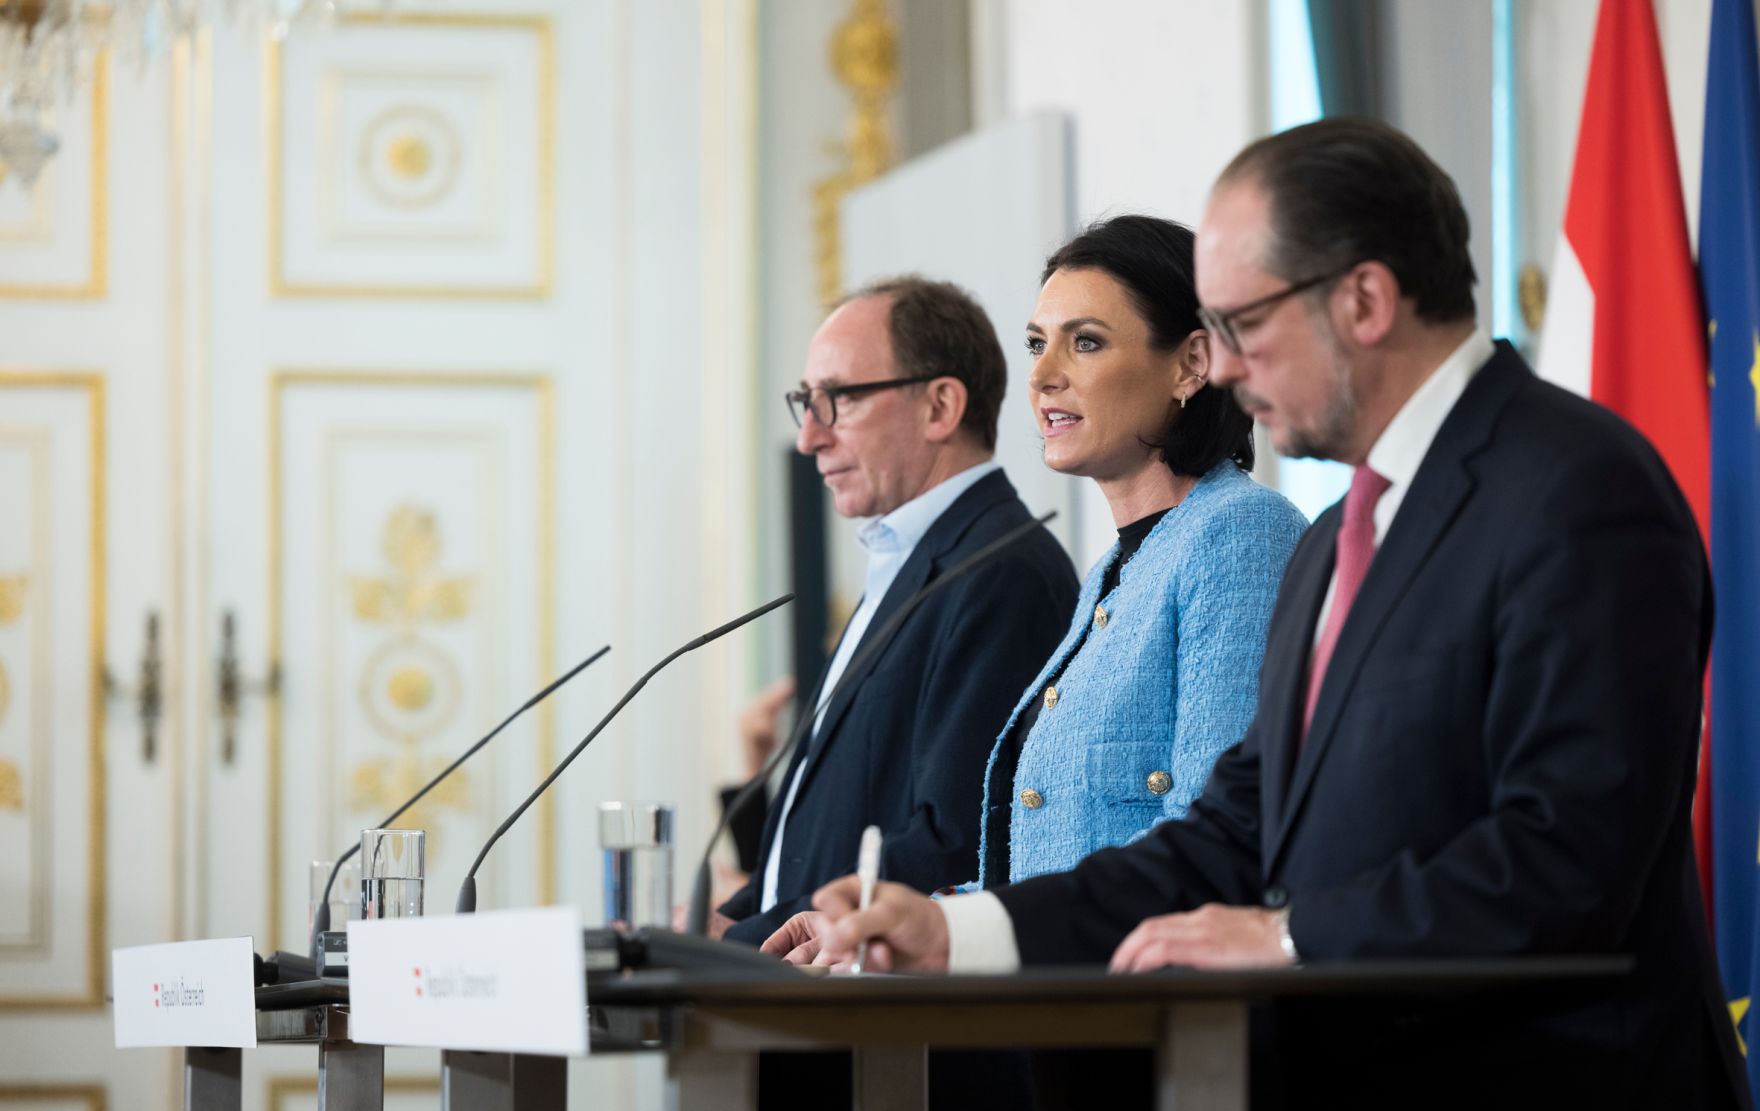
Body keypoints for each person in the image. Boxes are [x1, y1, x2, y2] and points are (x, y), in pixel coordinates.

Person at [768, 118, 1748, 1108]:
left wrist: (1284, 934)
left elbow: (1566, 856)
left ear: (1363, 299)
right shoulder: (1333, 544)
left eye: (1241, 324)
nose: (1223, 369)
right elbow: (1228, 831)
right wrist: (961, 931)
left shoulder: (1573, 487)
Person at [713, 275, 1079, 948]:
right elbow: (831, 827)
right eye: (806, 402)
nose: (810, 437)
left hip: (898, 1028)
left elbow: (954, 839)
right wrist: (729, 920)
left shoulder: (999, 571)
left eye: (838, 400)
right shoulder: (908, 557)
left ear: (940, 406)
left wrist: (746, 940)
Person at [969, 214, 1306, 891]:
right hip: (1064, 980)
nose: (1043, 377)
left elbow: (1215, 834)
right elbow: (1047, 860)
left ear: (1191, 363)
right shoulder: (1109, 574)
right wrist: (897, 923)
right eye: (1037, 344)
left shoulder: (1240, 533)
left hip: (1148, 989)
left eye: (1085, 342)